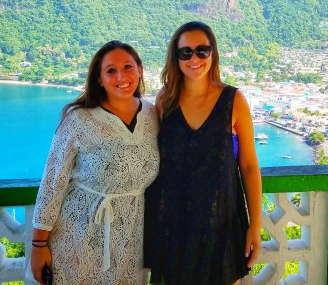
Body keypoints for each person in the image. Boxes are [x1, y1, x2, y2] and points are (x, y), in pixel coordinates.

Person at [30, 40, 159, 285]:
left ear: (140, 70)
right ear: (99, 79)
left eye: (128, 67)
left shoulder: (153, 115)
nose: (121, 76)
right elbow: (52, 183)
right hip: (79, 234)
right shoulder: (79, 119)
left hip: (132, 240)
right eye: (111, 70)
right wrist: (39, 244)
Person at [145, 21, 262, 285]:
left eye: (201, 50)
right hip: (175, 225)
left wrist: (255, 225)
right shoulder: (165, 101)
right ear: (176, 58)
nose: (194, 58)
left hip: (221, 224)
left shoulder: (234, 101)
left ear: (213, 53)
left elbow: (249, 166)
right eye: (185, 52)